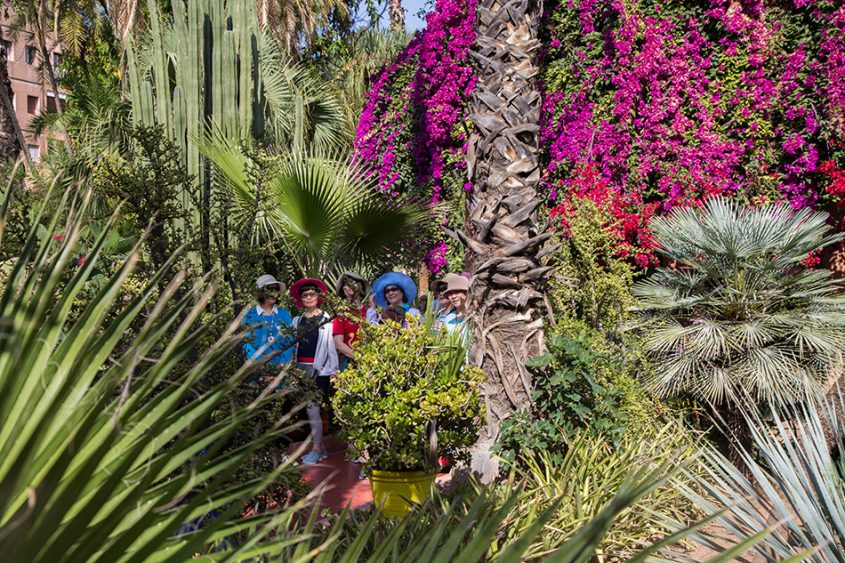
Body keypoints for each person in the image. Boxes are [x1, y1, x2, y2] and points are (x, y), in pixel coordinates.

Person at [290, 278, 339, 465]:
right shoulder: (297, 320)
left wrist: (333, 370)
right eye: (305, 295)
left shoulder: (326, 319)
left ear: (318, 297)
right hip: (301, 370)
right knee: (309, 410)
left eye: (312, 294)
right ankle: (321, 448)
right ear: (301, 299)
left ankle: (317, 449)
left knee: (313, 410)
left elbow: (330, 347)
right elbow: (294, 347)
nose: (309, 297)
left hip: (320, 371)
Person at [242, 275, 294, 367]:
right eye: (269, 288)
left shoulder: (284, 314)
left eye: (276, 289)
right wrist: (259, 368)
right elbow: (246, 344)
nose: (273, 292)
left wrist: (280, 366)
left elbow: (290, 341)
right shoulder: (249, 315)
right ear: (261, 292)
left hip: (280, 372)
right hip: (256, 371)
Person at [332, 272, 369, 371]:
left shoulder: (369, 311)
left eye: (353, 282)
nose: (349, 286)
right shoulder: (341, 313)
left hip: (371, 360)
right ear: (343, 290)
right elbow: (338, 343)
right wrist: (359, 358)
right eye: (346, 284)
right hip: (349, 362)